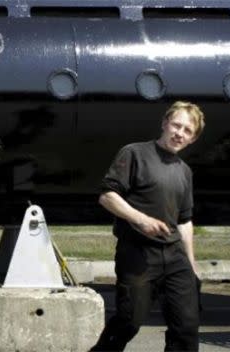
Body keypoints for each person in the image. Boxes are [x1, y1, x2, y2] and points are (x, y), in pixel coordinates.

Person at [91, 101, 205, 351]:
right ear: (165, 123)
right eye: (176, 125)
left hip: (175, 257)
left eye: (187, 130)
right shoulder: (134, 153)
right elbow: (107, 196)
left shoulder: (184, 171)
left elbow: (184, 221)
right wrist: (141, 219)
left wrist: (192, 264)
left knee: (186, 327)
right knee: (129, 321)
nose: (180, 133)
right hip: (138, 252)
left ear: (192, 139)